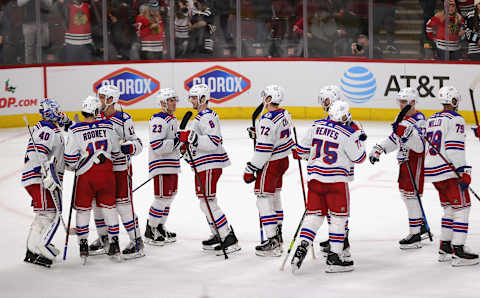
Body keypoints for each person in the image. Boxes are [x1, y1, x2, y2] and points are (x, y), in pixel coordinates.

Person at [290, 100, 366, 273]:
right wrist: (360, 138)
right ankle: (335, 258)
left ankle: (302, 247)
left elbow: (299, 152)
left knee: (314, 217)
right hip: (336, 182)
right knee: (338, 219)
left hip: (315, 180)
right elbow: (360, 158)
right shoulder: (348, 132)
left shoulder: (315, 125)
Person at [179, 83, 240, 255]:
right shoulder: (199, 117)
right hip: (204, 165)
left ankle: (227, 236)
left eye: (194, 97)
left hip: (210, 164)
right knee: (205, 202)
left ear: (203, 98)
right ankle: (218, 233)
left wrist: (192, 137)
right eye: (190, 96)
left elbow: (214, 142)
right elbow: (197, 143)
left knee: (207, 202)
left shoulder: (208, 116)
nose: (191, 100)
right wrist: (186, 149)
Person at [88, 85, 144, 260]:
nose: (100, 100)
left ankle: (136, 241)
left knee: (123, 205)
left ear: (112, 99)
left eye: (103, 97)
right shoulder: (96, 116)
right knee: (98, 204)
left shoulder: (123, 119)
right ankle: (105, 238)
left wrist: (130, 148)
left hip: (120, 169)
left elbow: (138, 144)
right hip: (100, 170)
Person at [424, 86, 478, 266]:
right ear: (454, 101)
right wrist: (463, 171)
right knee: (462, 208)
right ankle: (459, 251)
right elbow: (454, 147)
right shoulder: (455, 118)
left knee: (449, 209)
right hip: (449, 171)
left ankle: (445, 247)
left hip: (433, 172)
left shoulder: (432, 118)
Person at [369, 88, 429, 249]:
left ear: (413, 102)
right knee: (407, 196)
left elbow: (420, 147)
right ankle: (420, 226)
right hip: (404, 161)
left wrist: (405, 132)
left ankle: (415, 234)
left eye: (405, 102)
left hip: (415, 161)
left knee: (411, 196)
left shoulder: (420, 120)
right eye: (400, 101)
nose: (402, 105)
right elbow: (395, 138)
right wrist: (379, 148)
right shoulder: (400, 117)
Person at [64, 96, 121, 262]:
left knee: (83, 210)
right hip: (107, 174)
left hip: (86, 177)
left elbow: (69, 158)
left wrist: (76, 163)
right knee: (109, 208)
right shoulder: (108, 125)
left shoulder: (75, 130)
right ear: (96, 111)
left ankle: (83, 245)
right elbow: (116, 153)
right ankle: (114, 244)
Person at [243, 85, 294, 257]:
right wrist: (258, 133)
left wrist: (250, 168)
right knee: (275, 196)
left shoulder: (266, 120)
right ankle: (278, 235)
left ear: (269, 99)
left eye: (265, 96)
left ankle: (272, 240)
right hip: (282, 160)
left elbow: (264, 150)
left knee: (263, 198)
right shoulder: (285, 114)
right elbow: (281, 137)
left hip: (270, 164)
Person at [22, 99, 70, 268]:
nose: (59, 113)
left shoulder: (48, 128)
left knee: (44, 214)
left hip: (40, 178)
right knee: (48, 215)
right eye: (57, 111)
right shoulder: (48, 130)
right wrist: (46, 175)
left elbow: (59, 157)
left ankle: (32, 249)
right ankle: (36, 250)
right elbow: (38, 154)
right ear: (50, 112)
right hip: (42, 179)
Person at [145, 88, 180, 245]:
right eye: (170, 100)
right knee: (161, 199)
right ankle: (149, 230)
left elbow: (173, 142)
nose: (174, 103)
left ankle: (159, 226)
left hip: (172, 164)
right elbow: (156, 144)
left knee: (169, 197)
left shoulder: (172, 119)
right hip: (160, 164)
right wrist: (177, 141)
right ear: (162, 103)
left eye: (174, 99)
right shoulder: (158, 119)